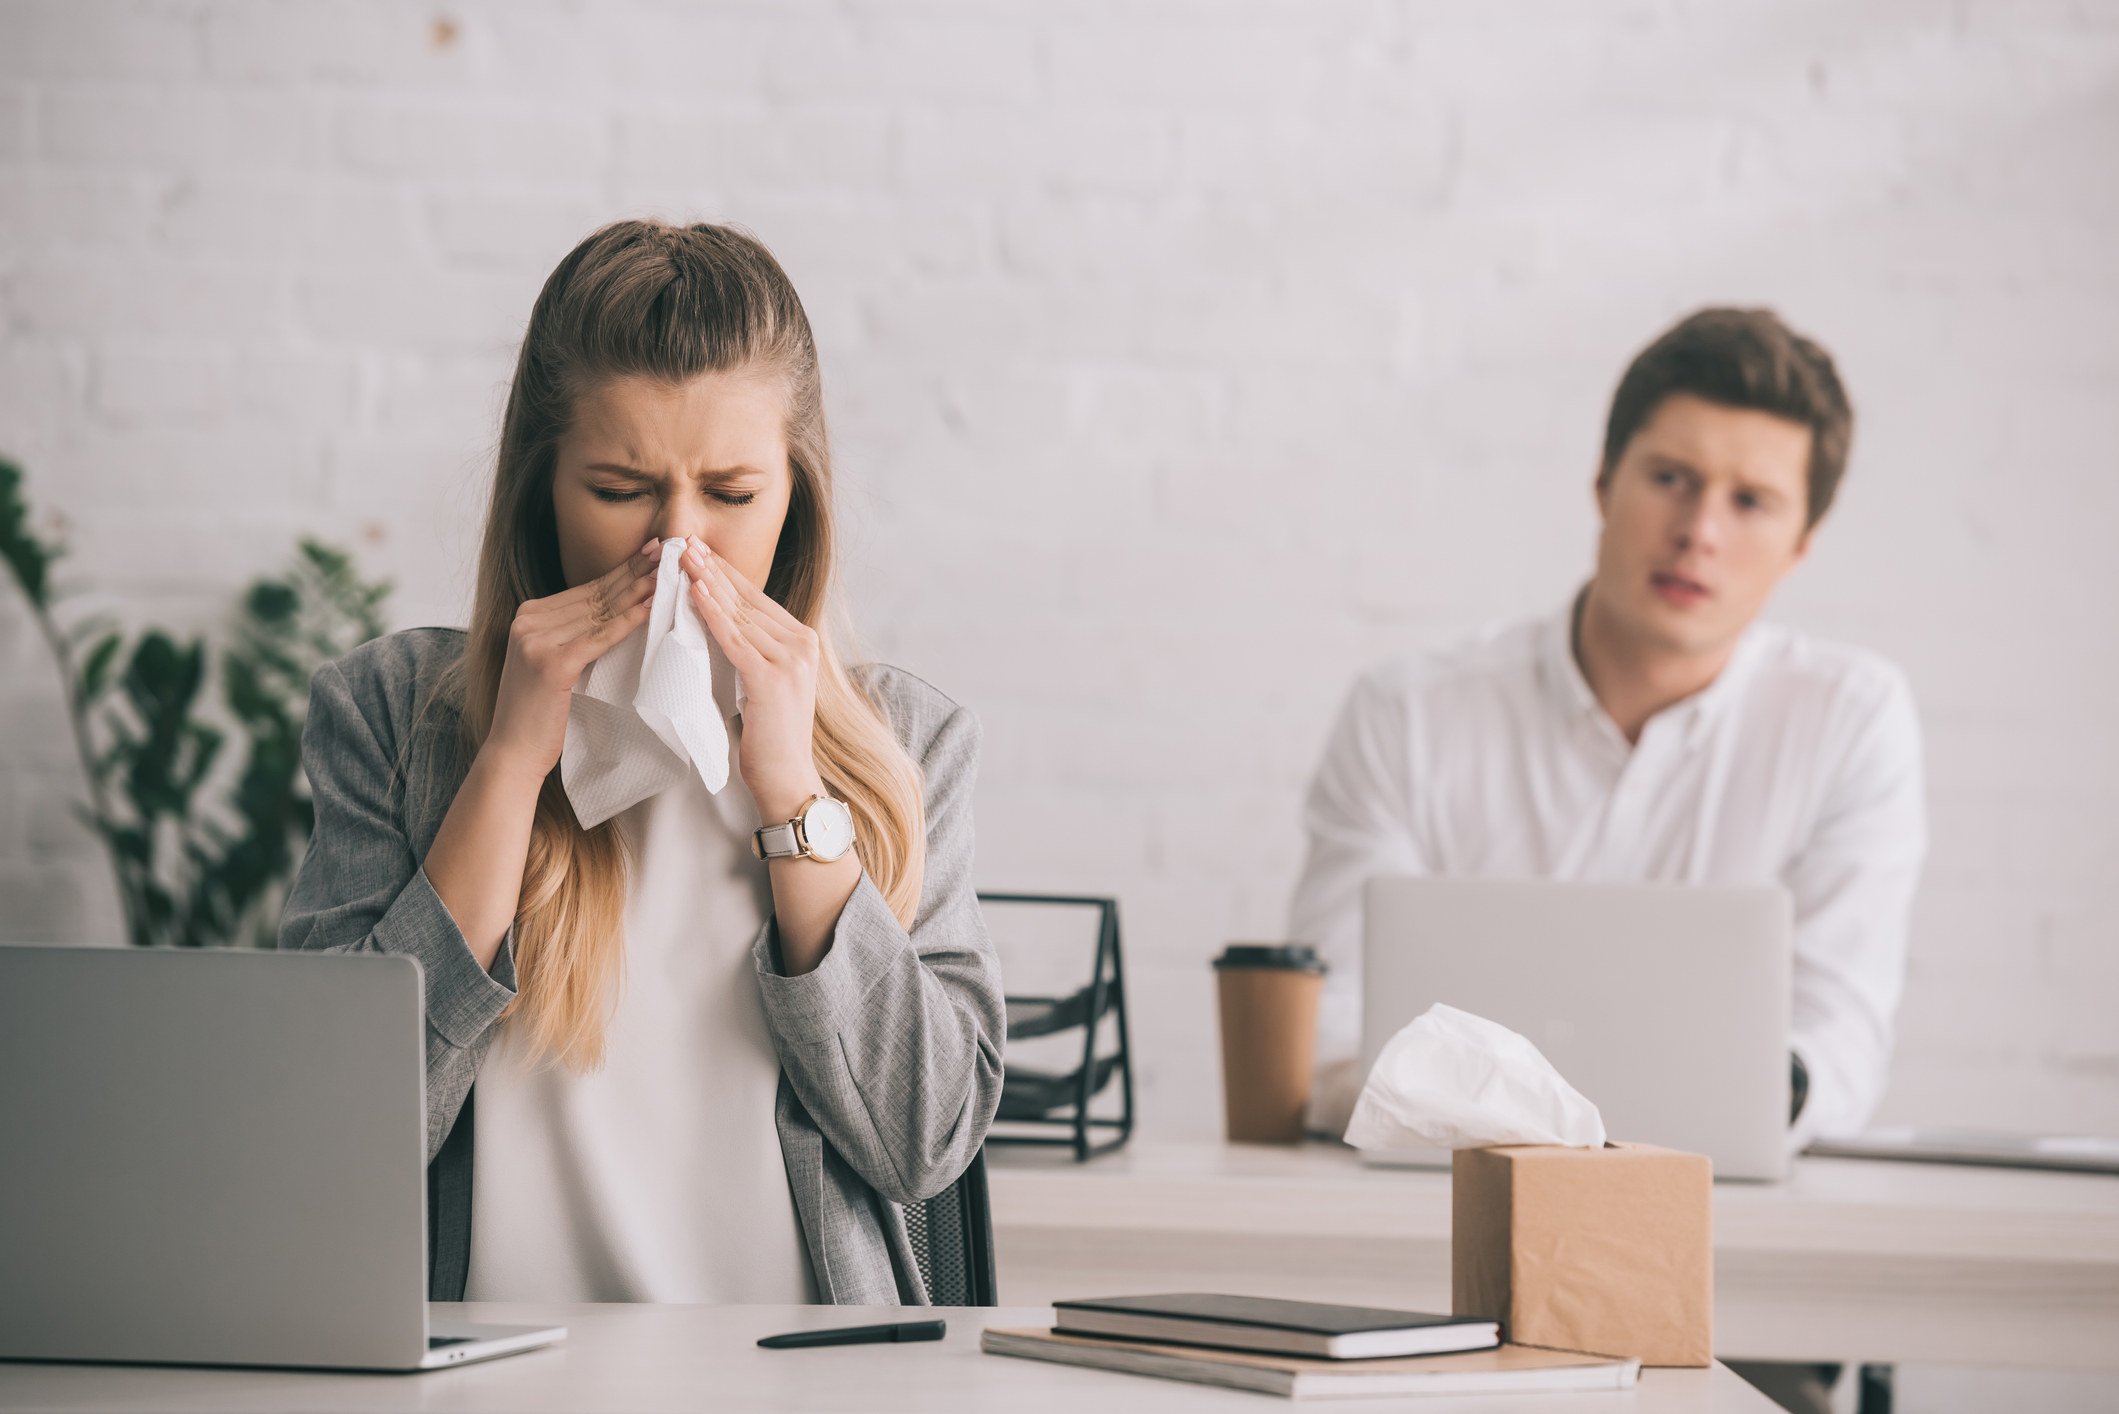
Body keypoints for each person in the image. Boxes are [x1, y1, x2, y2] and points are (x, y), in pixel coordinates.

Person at [279, 220, 1003, 1307]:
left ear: (796, 494)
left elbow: (927, 1137)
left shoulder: (906, 740)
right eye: (620, 489)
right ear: (541, 487)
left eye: (731, 493)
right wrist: (513, 758)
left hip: (797, 1383)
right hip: (492, 1383)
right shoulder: (391, 715)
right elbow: (331, 1139)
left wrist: (793, 794)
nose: (677, 548)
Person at [1289, 307, 1925, 1413]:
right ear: (1602, 483)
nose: (1699, 533)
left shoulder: (1851, 719)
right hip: (1425, 1275)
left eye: (1750, 501)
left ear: (1802, 542)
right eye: (1670, 478)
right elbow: (1339, 1024)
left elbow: (1835, 1038)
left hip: (1733, 1279)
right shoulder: (1410, 713)